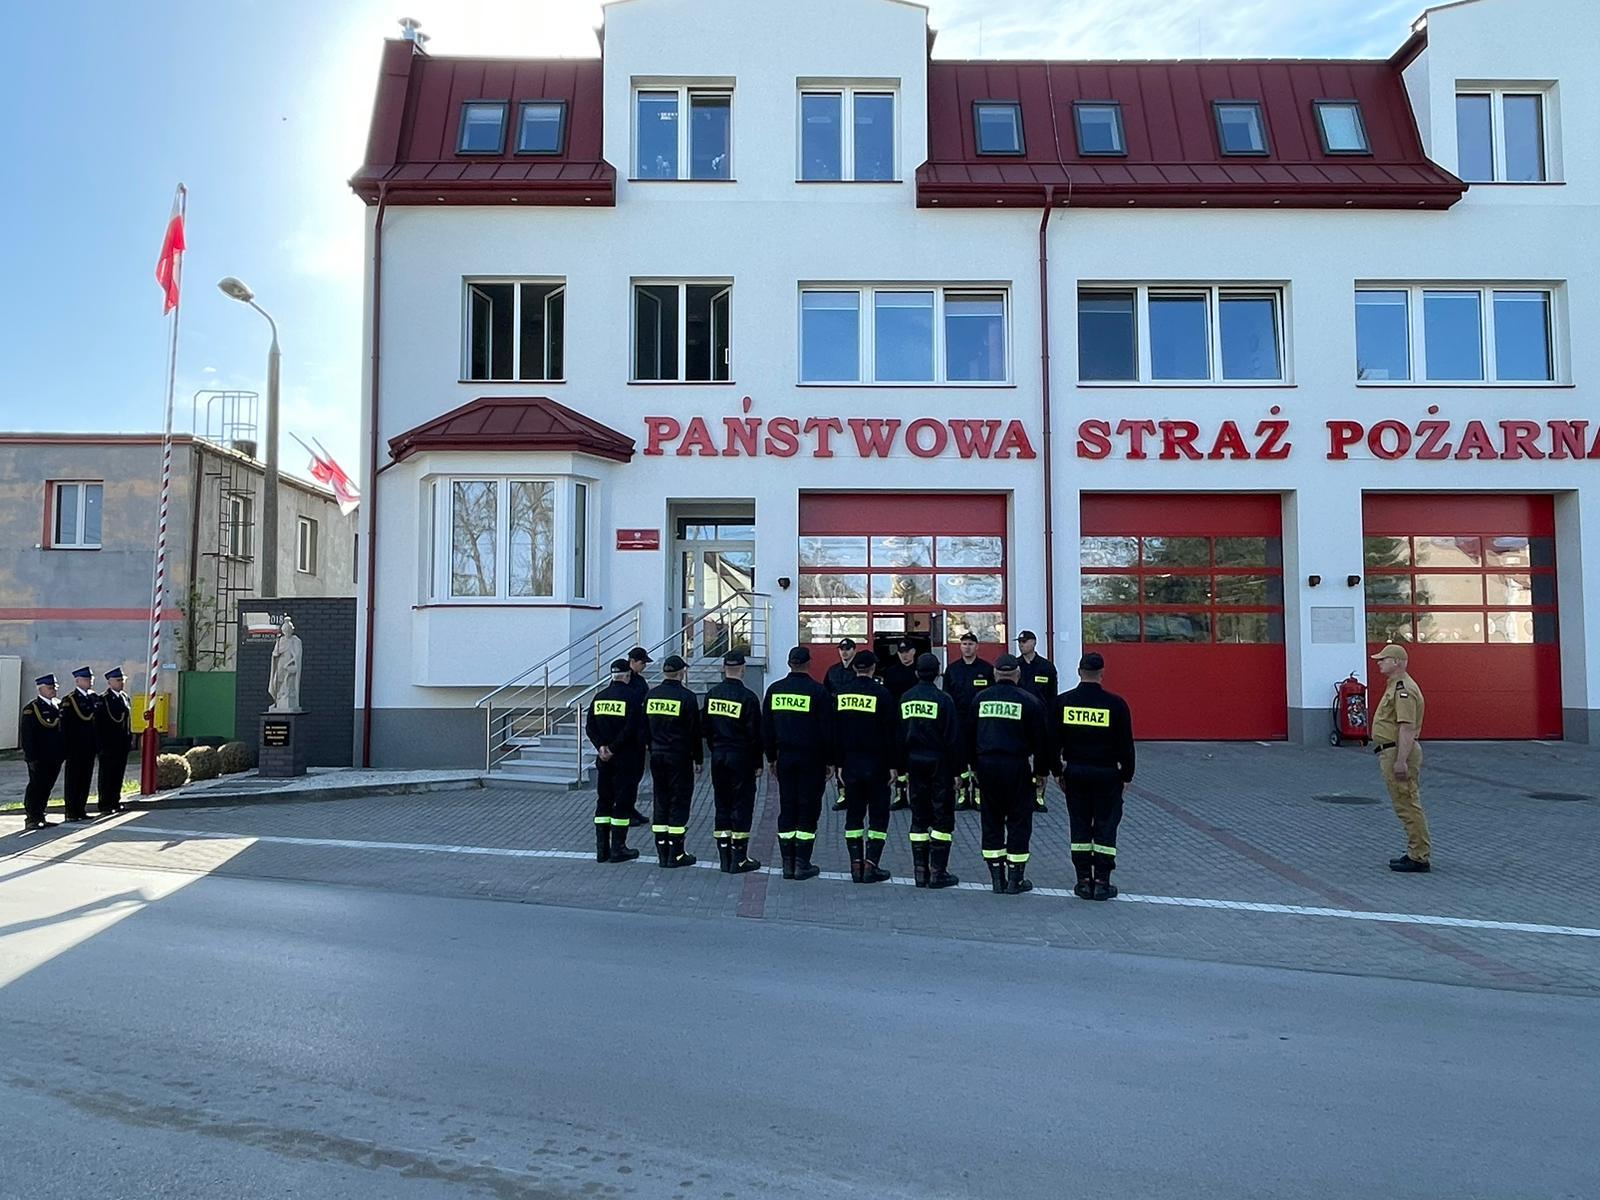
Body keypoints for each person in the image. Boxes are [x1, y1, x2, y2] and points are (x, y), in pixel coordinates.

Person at [1054, 652, 1136, 901]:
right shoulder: (1116, 705)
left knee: (1079, 825)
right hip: (1107, 774)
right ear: (1102, 673)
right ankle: (1101, 882)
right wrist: (1127, 776)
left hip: (1076, 773)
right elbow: (1126, 745)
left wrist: (1057, 772)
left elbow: (1051, 743)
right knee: (1105, 826)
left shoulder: (1063, 703)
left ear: (1079, 672)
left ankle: (1082, 881)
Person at [971, 654, 1051, 895]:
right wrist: (1041, 772)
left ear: (995, 674)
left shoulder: (980, 699)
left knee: (991, 819)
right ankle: (1016, 879)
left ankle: (996, 878)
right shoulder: (1029, 701)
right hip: (1016, 766)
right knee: (1018, 819)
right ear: (1018, 674)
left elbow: (969, 736)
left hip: (987, 766)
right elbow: (1042, 742)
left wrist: (973, 767)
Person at [762, 645, 830, 881]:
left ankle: (787, 863)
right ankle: (802, 863)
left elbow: (767, 728)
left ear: (789, 663)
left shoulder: (775, 690)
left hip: (785, 758)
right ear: (809, 663)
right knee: (808, 808)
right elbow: (826, 730)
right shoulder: (818, 692)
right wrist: (830, 761)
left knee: (788, 807)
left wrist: (771, 757)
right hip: (811, 759)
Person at [830, 649, 898, 883]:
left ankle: (855, 865)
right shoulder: (883, 695)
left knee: (854, 815)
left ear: (854, 668)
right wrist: (893, 765)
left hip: (850, 764)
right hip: (877, 764)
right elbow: (890, 733)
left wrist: (838, 763)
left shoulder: (841, 694)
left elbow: (836, 732)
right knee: (878, 817)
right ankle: (871, 865)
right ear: (872, 668)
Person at [898, 653, 960, 889]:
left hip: (914, 761)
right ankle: (938, 872)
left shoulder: (906, 698)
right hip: (939, 762)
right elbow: (953, 738)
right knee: (942, 815)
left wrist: (900, 767)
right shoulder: (944, 700)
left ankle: (920, 871)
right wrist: (958, 771)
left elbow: (899, 734)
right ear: (937, 674)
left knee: (919, 815)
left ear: (916, 672)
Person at [702, 650, 764, 873]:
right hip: (741, 757)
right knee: (742, 805)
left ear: (723, 668)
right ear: (743, 669)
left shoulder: (712, 694)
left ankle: (724, 858)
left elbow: (706, 728)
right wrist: (758, 763)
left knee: (722, 804)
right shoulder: (748, 697)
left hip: (719, 756)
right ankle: (739, 858)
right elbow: (755, 735)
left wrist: (716, 749)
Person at [1371, 644, 1430, 873]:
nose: (1379, 663)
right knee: (1404, 803)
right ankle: (1415, 851)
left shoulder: (1404, 689)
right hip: (1392, 749)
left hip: (1397, 750)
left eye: (1383, 659)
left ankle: (1419, 856)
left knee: (1407, 803)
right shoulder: (1395, 686)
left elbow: (1407, 727)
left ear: (1396, 662)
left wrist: (1401, 761)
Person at [585, 659, 647, 863]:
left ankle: (601, 850)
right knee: (623, 802)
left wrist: (601, 747)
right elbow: (632, 729)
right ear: (627, 676)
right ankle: (618, 849)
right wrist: (613, 748)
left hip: (604, 759)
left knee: (603, 801)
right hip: (626, 759)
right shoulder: (632, 697)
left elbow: (590, 727)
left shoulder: (599, 697)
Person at [645, 654, 702, 868]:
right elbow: (694, 731)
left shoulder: (651, 695)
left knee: (661, 800)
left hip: (657, 755)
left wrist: (650, 746)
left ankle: (662, 853)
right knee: (679, 801)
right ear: (681, 673)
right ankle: (676, 854)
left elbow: (645, 726)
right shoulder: (687, 697)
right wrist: (698, 758)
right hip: (679, 757)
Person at [943, 631, 994, 810]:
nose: (967, 647)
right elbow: (947, 697)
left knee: (978, 759)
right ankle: (963, 793)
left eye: (970, 644)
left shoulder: (986, 669)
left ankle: (978, 793)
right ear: (960, 646)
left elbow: (991, 696)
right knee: (960, 759)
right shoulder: (952, 669)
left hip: (980, 723)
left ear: (977, 646)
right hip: (959, 722)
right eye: (964, 644)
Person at [1015, 631, 1058, 812]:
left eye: (1025, 642)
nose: (1021, 645)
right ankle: (1021, 793)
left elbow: (1052, 696)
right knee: (1020, 757)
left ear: (1034, 643)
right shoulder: (1015, 666)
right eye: (1020, 642)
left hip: (1040, 721)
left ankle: (1039, 795)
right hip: (1019, 720)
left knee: (1041, 760)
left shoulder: (1046, 667)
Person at [18, 673, 64, 832]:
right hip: (39, 756)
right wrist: (31, 758)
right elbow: (27, 736)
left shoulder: (58, 705)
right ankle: (32, 817)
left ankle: (41, 814)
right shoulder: (32, 709)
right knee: (36, 786)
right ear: (41, 689)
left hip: (55, 755)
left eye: (55, 687)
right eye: (50, 687)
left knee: (47, 786)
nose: (54, 690)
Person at [881, 639, 919, 810]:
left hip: (915, 721)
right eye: (901, 652)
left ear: (914, 652)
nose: (904, 655)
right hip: (898, 720)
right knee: (899, 758)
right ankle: (900, 794)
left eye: (907, 652)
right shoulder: (891, 672)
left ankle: (915, 794)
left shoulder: (919, 671)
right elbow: (888, 697)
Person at [60, 666, 99, 822]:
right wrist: (66, 747)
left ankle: (81, 809)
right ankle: (71, 811)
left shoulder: (94, 698)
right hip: (75, 747)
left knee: (85, 779)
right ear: (77, 681)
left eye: (91, 679)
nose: (90, 681)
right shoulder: (70, 700)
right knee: (73, 779)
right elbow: (65, 726)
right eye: (86, 679)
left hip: (89, 746)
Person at [823, 637, 859, 811]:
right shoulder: (833, 671)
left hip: (855, 721)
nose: (844, 652)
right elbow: (825, 693)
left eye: (847, 649)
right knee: (839, 758)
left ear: (854, 650)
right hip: (836, 719)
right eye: (842, 649)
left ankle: (857, 792)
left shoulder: (858, 670)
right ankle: (843, 793)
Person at [94, 666, 135, 816]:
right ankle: (105, 804)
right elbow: (99, 724)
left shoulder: (125, 697)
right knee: (107, 775)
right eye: (118, 680)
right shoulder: (103, 700)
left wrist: (129, 738)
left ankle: (115, 801)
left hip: (122, 743)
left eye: (122, 680)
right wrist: (100, 745)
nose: (121, 683)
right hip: (108, 743)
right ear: (110, 682)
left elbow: (126, 720)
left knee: (118, 773)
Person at [623, 646, 655, 828]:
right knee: (628, 778)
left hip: (639, 735)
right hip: (629, 736)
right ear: (633, 662)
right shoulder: (625, 680)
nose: (644, 666)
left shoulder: (640, 681)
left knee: (636, 775)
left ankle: (631, 808)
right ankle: (624, 810)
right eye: (642, 663)